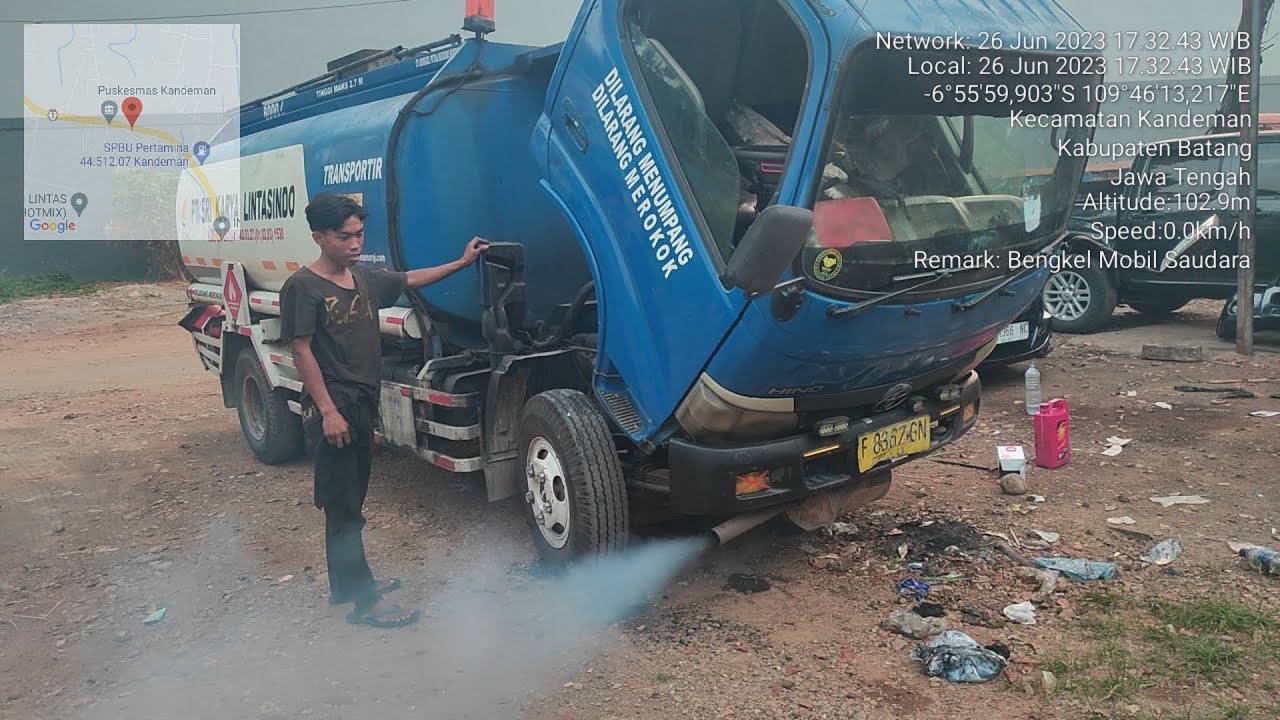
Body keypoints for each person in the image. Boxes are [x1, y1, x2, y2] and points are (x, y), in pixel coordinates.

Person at [280, 193, 488, 628]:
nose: (355, 243)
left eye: (359, 235)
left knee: (348, 499)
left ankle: (345, 588)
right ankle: (364, 602)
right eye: (344, 237)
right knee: (343, 508)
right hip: (334, 410)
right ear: (319, 237)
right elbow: (300, 350)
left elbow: (410, 279)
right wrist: (328, 411)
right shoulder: (303, 287)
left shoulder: (362, 279)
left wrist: (461, 262)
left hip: (361, 406)